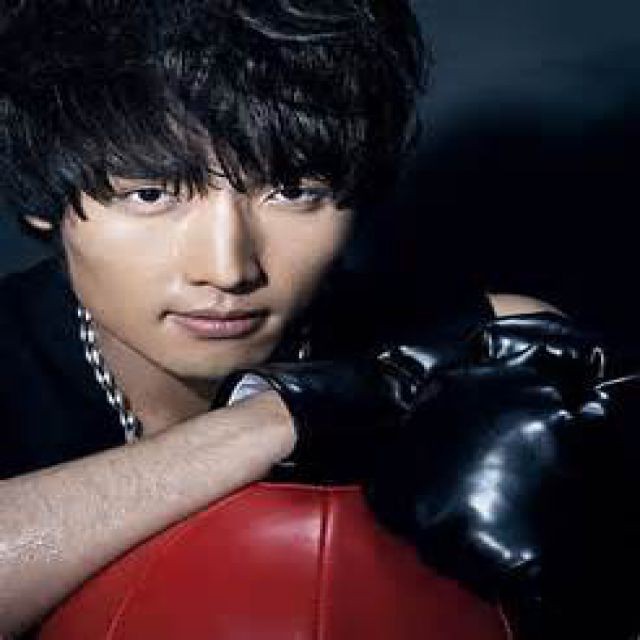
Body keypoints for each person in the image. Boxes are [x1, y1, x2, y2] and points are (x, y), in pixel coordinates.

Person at [1, 1, 638, 638]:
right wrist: (277, 420)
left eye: (294, 191)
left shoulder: (458, 348)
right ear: (42, 200)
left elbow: (522, 330)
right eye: (151, 194)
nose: (227, 269)